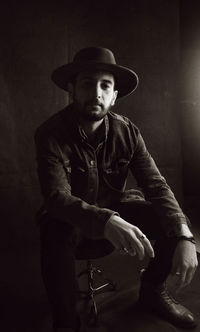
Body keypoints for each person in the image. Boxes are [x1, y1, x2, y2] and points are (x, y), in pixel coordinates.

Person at [34, 47, 198, 332]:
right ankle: (66, 321)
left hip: (116, 210)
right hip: (71, 221)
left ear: (114, 95)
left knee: (168, 219)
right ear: (71, 89)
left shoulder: (128, 132)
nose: (96, 93)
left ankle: (152, 293)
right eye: (87, 84)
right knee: (53, 229)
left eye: (105, 85)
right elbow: (57, 197)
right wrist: (105, 220)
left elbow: (156, 185)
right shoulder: (50, 133)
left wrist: (185, 235)